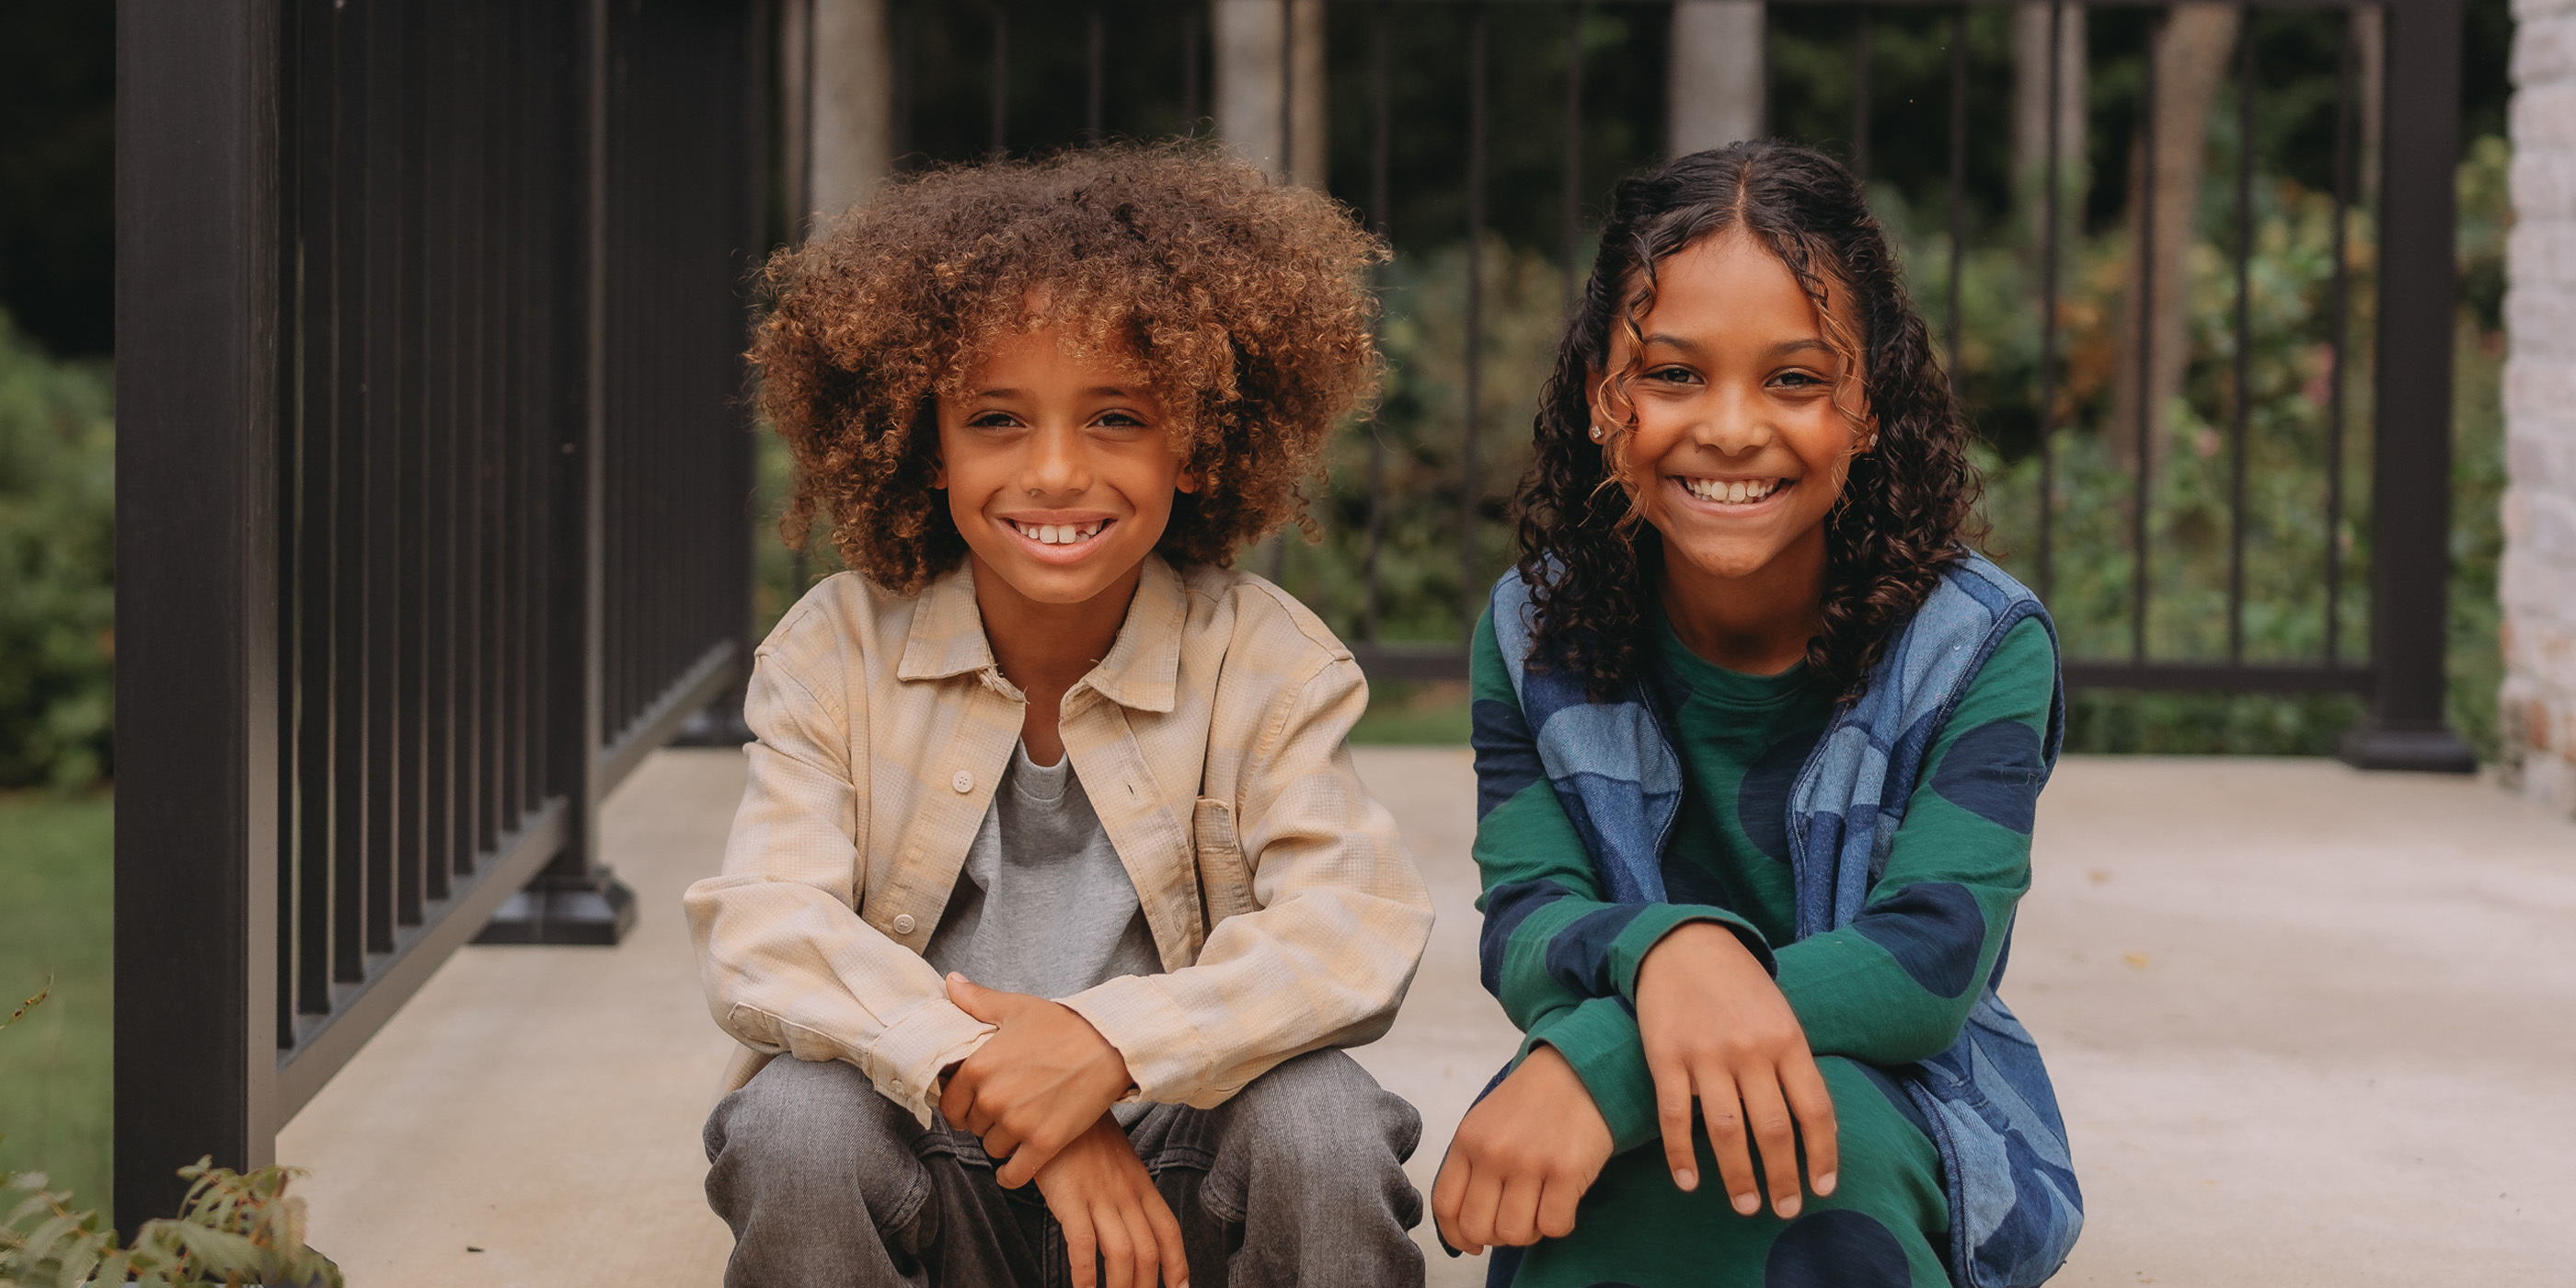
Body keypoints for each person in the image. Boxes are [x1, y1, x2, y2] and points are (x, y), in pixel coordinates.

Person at [686, 144, 1435, 1288]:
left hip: (1176, 1176)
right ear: (927, 444)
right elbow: (764, 928)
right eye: (996, 417)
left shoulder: (1267, 658)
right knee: (793, 1121)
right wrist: (992, 1079)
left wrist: (1107, 1047)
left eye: (1115, 417)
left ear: (1195, 444)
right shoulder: (835, 647)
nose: (1052, 470)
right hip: (937, 1157)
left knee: (1324, 1120)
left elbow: (1352, 926)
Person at [1432, 140, 2083, 1288]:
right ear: (1599, 395)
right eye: (1673, 374)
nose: (1731, 428)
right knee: (1609, 1179)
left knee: (1812, 1138)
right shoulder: (1533, 631)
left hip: (1896, 1097)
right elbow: (1529, 922)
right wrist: (1663, 961)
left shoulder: (1977, 645)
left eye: (1793, 379)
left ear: (1868, 406)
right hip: (1611, 1114)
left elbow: (1929, 960)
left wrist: (1613, 1049)